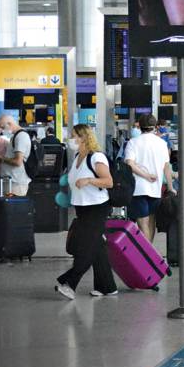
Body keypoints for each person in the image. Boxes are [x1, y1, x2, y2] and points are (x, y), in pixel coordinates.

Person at [56, 124, 117, 299]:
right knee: (96, 247)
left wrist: (89, 180)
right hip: (82, 208)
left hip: (97, 208)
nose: (71, 139)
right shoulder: (77, 157)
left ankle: (70, 283)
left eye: (73, 135)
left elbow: (108, 182)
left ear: (83, 138)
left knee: (86, 248)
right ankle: (107, 286)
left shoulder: (96, 157)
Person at [124, 114, 174, 243]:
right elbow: (166, 167)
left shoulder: (133, 142)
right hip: (156, 189)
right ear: (155, 126)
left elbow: (130, 163)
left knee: (142, 224)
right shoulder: (162, 143)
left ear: (139, 126)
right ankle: (150, 254)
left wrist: (145, 176)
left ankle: (147, 255)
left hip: (138, 188)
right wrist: (170, 187)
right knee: (151, 221)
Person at [0, 115, 32, 197]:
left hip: (16, 184)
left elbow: (18, 161)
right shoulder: (15, 136)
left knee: (14, 208)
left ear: (9, 124)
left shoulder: (21, 136)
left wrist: (1, 159)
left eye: (2, 127)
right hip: (11, 182)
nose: (1, 130)